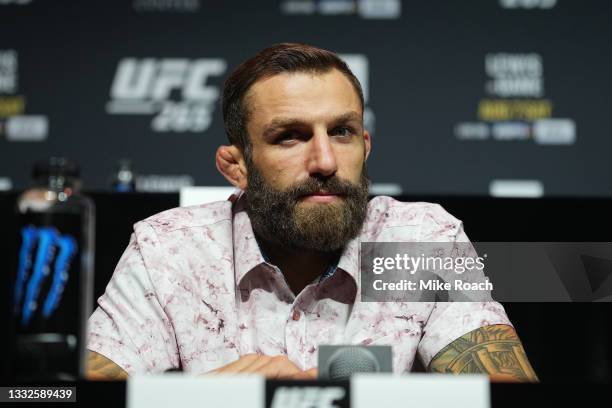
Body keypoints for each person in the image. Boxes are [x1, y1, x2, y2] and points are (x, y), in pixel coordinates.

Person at [86, 43, 538, 382]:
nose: (324, 161)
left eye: (341, 132)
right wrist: (209, 400)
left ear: (365, 146)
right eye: (290, 136)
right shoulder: (171, 250)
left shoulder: (418, 239)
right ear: (236, 165)